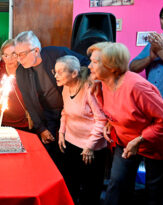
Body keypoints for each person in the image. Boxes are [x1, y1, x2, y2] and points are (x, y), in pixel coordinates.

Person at [87, 42, 163, 205]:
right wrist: (111, 122)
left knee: (154, 192)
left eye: (95, 62)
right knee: (117, 184)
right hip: (125, 141)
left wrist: (140, 139)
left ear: (112, 67)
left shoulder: (137, 87)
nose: (89, 66)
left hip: (155, 144)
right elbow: (117, 109)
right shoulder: (102, 83)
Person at [14, 30, 90, 170]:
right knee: (49, 155)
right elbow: (29, 103)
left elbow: (86, 64)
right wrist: (41, 128)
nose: (18, 59)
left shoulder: (57, 55)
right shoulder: (21, 72)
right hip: (47, 114)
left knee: (70, 154)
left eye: (21, 54)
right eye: (16, 54)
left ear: (36, 50)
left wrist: (83, 88)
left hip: (70, 112)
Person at [54, 55, 107, 205]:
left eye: (60, 72)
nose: (56, 76)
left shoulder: (89, 89)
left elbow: (101, 120)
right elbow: (65, 112)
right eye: (55, 71)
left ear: (74, 74)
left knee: (90, 190)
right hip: (71, 143)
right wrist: (61, 133)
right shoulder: (65, 87)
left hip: (90, 149)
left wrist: (89, 147)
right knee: (71, 185)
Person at [0, 39, 30, 130]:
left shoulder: (26, 70)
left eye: (13, 54)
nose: (9, 59)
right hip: (1, 121)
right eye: (6, 55)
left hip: (23, 123)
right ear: (2, 56)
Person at [130, 5, 163, 101]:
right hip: (151, 101)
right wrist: (149, 58)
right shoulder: (155, 41)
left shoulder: (157, 44)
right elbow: (132, 67)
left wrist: (160, 50)